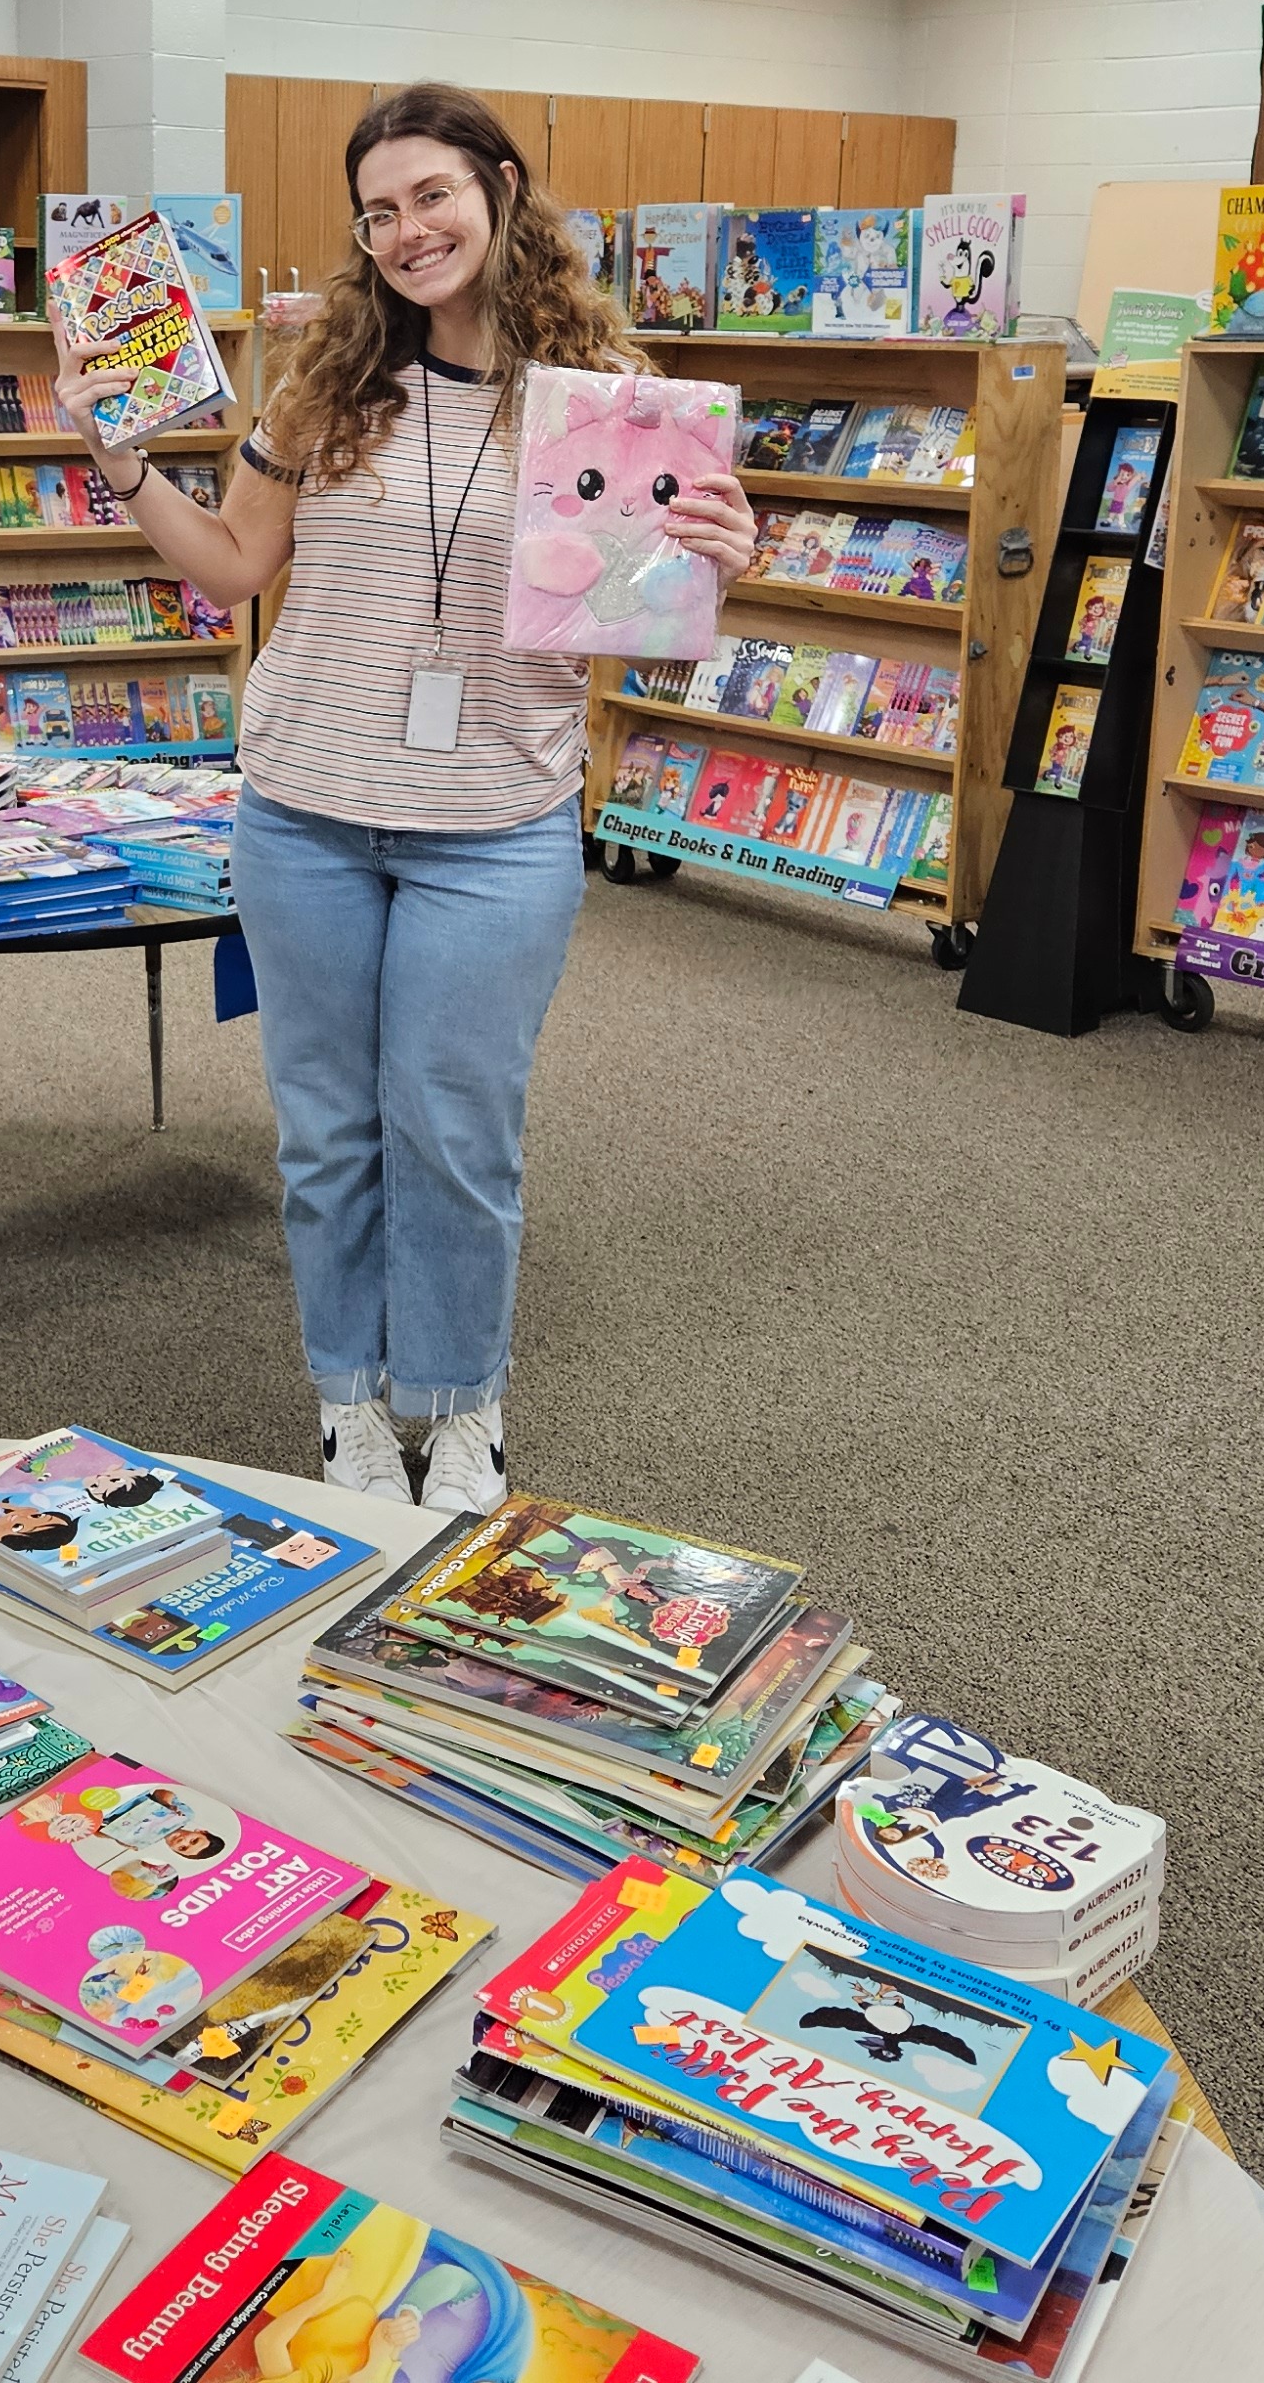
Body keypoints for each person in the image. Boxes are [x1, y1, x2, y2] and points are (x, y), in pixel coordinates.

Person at [59, 84, 755, 1511]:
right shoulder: (327, 382)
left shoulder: (613, 399)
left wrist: (709, 569)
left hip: (495, 828)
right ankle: (351, 1407)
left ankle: (460, 1406)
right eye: (378, 211)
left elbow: (637, 634)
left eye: (430, 195)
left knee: (456, 1130)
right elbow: (237, 568)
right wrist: (120, 463)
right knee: (326, 1134)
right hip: (306, 810)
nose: (405, 232)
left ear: (501, 186)